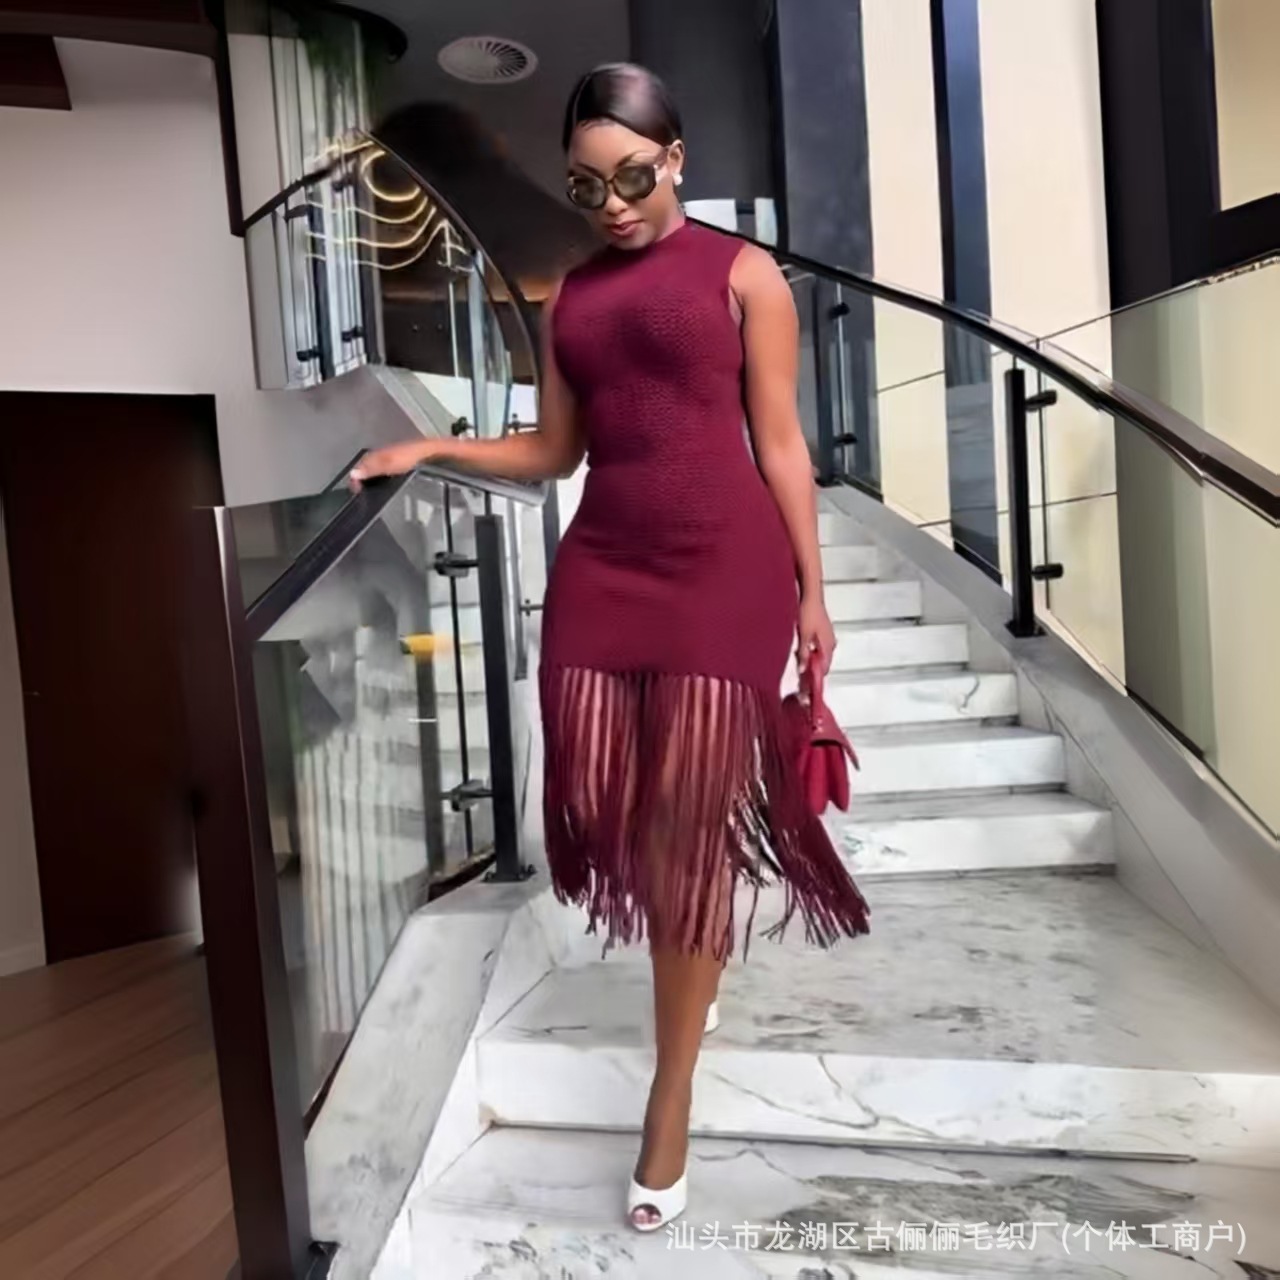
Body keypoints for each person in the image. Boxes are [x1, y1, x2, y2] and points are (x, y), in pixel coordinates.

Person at [352, 62, 871, 1231]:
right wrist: (425, 450)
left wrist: (812, 590)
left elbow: (781, 444)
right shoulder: (572, 299)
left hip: (723, 570)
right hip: (603, 569)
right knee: (621, 811)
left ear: (674, 157)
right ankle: (695, 974)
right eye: (586, 187)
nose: (613, 205)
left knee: (685, 830)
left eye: (632, 177)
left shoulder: (742, 275)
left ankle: (669, 1088)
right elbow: (554, 453)